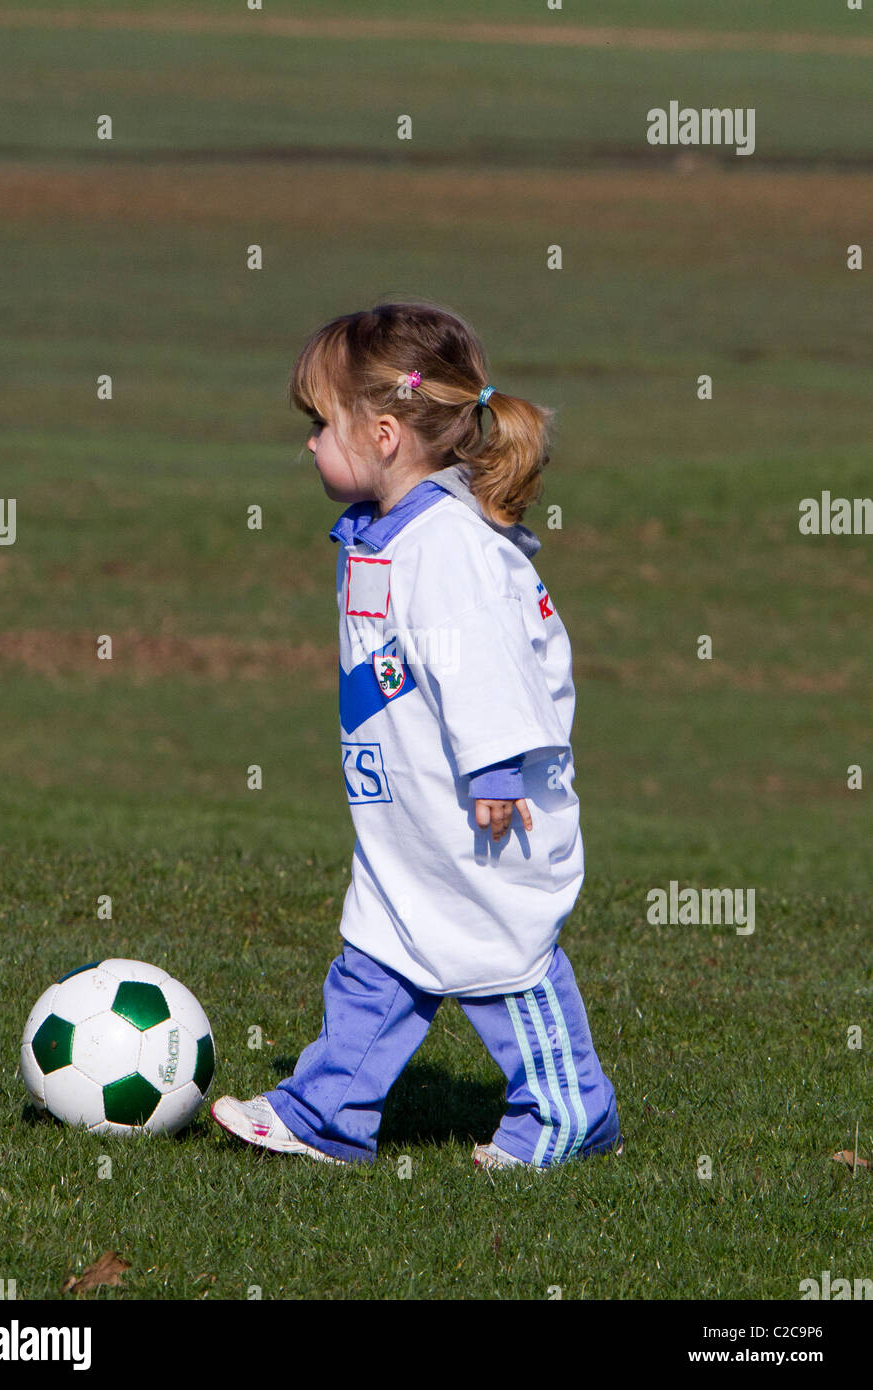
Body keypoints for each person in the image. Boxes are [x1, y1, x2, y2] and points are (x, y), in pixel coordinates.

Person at [212, 301, 622, 1169]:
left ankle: (568, 1110)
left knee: (500, 957)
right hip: (412, 808)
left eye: (321, 425)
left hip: (488, 809)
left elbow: (489, 670)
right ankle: (327, 1113)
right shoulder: (386, 533)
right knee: (382, 950)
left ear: (387, 434)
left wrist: (498, 776)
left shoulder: (451, 547)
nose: (310, 446)